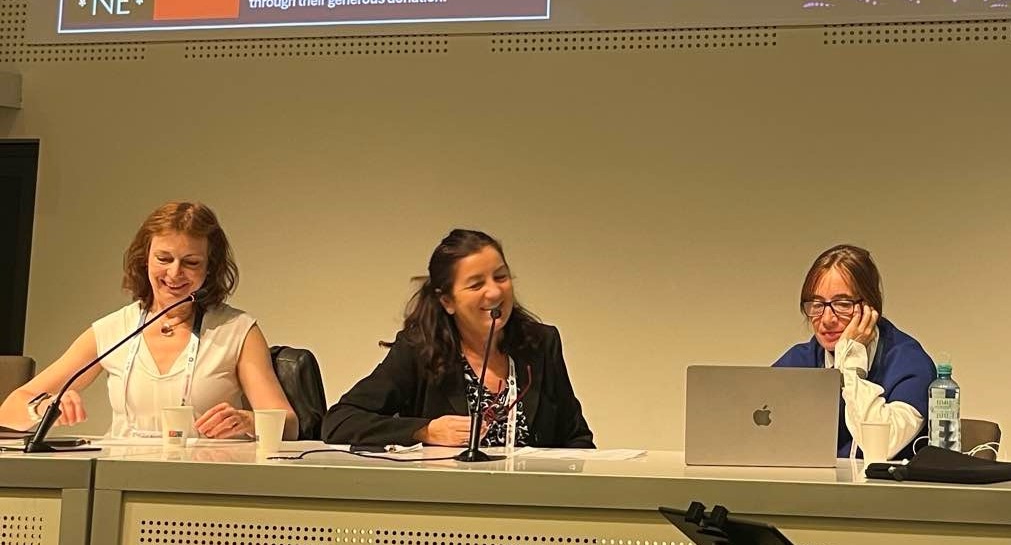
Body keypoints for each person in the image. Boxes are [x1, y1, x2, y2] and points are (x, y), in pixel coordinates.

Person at [0, 201, 294, 439]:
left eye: (191, 263)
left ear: (210, 268)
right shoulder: (113, 330)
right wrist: (41, 407)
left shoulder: (237, 331)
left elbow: (290, 425)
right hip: (119, 484)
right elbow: (9, 409)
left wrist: (249, 421)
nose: (175, 273)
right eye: (164, 259)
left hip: (209, 486)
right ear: (145, 259)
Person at [322, 228, 593, 449]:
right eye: (476, 285)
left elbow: (576, 438)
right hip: (444, 504)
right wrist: (424, 431)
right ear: (447, 301)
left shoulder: (540, 343)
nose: (494, 292)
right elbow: (339, 421)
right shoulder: (420, 349)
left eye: (501, 277)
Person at [773, 244, 935, 460]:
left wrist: (851, 361)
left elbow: (881, 447)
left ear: (870, 306)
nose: (827, 319)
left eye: (842, 304)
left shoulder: (909, 363)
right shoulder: (798, 362)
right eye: (817, 304)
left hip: (885, 492)